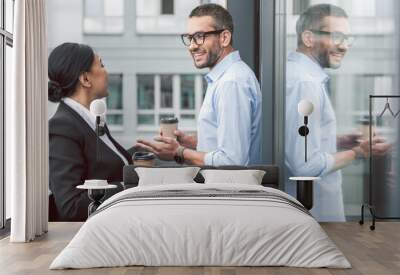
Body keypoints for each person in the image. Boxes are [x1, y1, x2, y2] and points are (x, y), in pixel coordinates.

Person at [136, 3, 262, 166]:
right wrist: (192, 143)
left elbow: (232, 161)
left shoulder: (231, 83)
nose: (192, 46)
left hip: (228, 190)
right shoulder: (225, 78)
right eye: (190, 38)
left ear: (224, 38)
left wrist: (179, 152)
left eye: (200, 36)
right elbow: (224, 145)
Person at [285, 4, 368, 221]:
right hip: (315, 216)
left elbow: (296, 141)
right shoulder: (306, 83)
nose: (344, 46)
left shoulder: (300, 75)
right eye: (337, 36)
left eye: (348, 39)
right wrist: (359, 153)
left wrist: (337, 141)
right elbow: (304, 165)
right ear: (309, 38)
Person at [48, 43, 136, 221]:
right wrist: (130, 187)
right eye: (101, 65)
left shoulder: (89, 119)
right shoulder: (63, 127)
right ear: (85, 79)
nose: (107, 72)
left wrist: (143, 154)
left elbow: (104, 165)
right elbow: (70, 206)